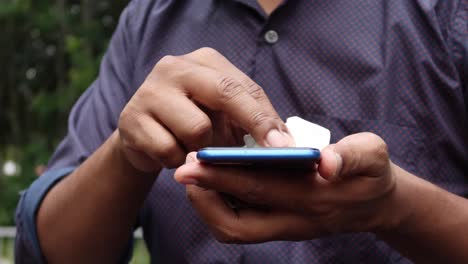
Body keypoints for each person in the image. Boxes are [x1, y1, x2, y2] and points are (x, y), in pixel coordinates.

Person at [15, 0, 468, 263]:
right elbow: (47, 252)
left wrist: (397, 208)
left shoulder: (446, 13)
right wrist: (125, 155)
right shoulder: (149, 18)